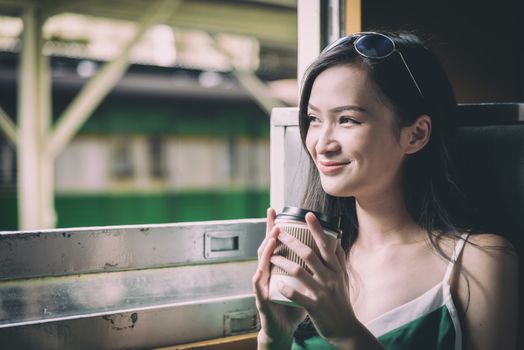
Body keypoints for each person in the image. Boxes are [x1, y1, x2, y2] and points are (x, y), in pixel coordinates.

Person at [252, 30, 518, 350]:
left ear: (416, 135)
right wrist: (273, 338)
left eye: (347, 120)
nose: (321, 144)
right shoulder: (310, 257)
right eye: (314, 119)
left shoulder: (481, 261)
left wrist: (346, 333)